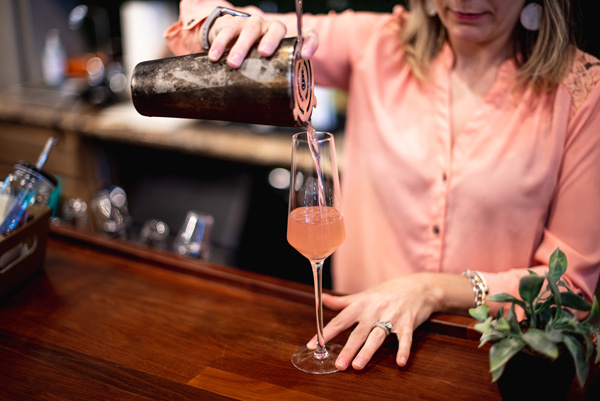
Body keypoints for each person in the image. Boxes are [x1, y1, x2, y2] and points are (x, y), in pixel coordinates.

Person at [165, 0, 600, 372]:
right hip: (355, 351)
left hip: (486, 361)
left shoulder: (582, 90)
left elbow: (570, 289)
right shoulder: (376, 42)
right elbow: (194, 28)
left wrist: (429, 289)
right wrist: (224, 27)